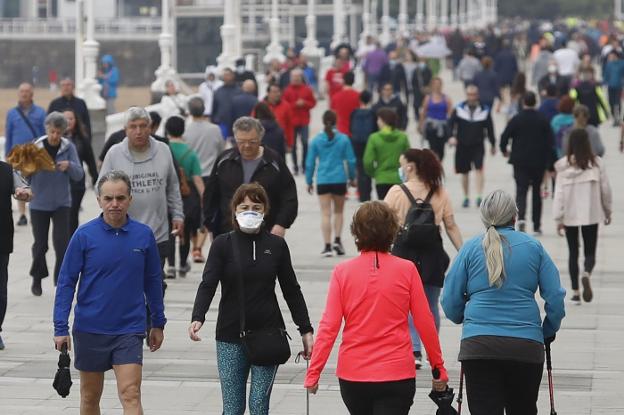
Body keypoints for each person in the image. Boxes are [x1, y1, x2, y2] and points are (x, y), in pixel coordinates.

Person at [304, 201, 449, 414]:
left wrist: (314, 372)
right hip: (397, 373)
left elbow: (330, 326)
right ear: (392, 231)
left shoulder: (342, 272)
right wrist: (438, 368)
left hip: (354, 375)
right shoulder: (407, 270)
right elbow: (424, 321)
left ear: (356, 232)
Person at [189, 183, 313, 415]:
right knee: (233, 408)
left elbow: (291, 289)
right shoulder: (222, 244)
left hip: (268, 334)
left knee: (258, 405)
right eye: (244, 206)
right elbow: (208, 283)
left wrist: (305, 329)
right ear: (234, 210)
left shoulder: (276, 245)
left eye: (256, 207)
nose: (250, 211)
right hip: (229, 335)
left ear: (265, 210)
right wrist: (198, 316)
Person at [441, 189, 566, 415]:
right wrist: (547, 329)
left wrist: (462, 317)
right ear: (514, 217)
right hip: (525, 346)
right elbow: (555, 297)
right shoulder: (533, 247)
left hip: (479, 345)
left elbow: (449, 300)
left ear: (484, 218)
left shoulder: (469, 249)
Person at [53, 170, 166, 415]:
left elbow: (154, 281)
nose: (114, 204)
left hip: (129, 328)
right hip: (90, 328)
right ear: (99, 201)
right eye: (108, 198)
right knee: (90, 397)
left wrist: (158, 321)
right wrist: (60, 328)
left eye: (120, 198)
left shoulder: (144, 235)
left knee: (131, 393)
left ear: (130, 199)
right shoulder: (84, 235)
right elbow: (66, 282)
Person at [384, 149, 463, 369]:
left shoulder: (396, 192)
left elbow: (383, 224)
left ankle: (414, 351)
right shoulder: (439, 192)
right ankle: (432, 350)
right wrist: (464, 253)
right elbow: (451, 226)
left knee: (405, 304)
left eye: (402, 164)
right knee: (430, 304)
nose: (400, 168)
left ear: (410, 167)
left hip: (403, 253)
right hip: (432, 254)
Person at [99, 107, 184, 287]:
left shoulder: (163, 150)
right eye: (133, 127)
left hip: (157, 233)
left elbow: (173, 186)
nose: (138, 131)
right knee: (129, 284)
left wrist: (178, 214)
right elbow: (101, 191)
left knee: (155, 284)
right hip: (123, 233)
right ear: (125, 129)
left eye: (143, 126)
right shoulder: (114, 154)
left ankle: (152, 314)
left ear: (150, 127)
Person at [203, 117, 297, 237]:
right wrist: (210, 224)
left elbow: (289, 195)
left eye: (252, 141)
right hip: (228, 231)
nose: (246, 145)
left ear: (260, 138)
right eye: (241, 142)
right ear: (235, 139)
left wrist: (281, 224)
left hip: (265, 232)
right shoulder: (224, 161)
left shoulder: (273, 162)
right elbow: (211, 194)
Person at [553, 129, 612, 304]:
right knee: (590, 250)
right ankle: (586, 271)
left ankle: (576, 292)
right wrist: (607, 211)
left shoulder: (563, 165)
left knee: (573, 251)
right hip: (591, 212)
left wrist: (558, 218)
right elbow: (606, 190)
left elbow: (559, 194)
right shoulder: (597, 164)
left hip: (570, 213)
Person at [28, 112, 84, 296]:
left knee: (62, 244)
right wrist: (33, 166)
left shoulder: (69, 147)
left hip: (62, 203)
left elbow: (79, 175)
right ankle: (37, 277)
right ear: (47, 129)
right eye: (52, 131)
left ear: (63, 132)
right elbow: (22, 173)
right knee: (40, 244)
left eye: (58, 132)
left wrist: (70, 166)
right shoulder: (35, 147)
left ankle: (60, 280)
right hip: (38, 203)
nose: (54, 136)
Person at [500, 92, 556, 235]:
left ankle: (521, 218)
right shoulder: (542, 119)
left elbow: (505, 136)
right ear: (535, 102)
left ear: (523, 102)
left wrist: (504, 150)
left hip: (520, 161)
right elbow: (550, 142)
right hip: (538, 161)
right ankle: (537, 225)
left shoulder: (516, 119)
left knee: (521, 190)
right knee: (537, 192)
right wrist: (551, 164)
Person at [306, 110, 356, 257]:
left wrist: (309, 180)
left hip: (323, 179)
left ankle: (327, 246)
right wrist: (352, 177)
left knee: (325, 213)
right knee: (339, 212)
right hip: (339, 179)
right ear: (336, 121)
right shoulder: (343, 139)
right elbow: (351, 161)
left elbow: (310, 163)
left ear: (323, 121)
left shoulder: (316, 140)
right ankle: (337, 241)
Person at [164, 116, 205, 278]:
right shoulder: (190, 153)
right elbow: (197, 179)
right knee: (186, 231)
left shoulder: (163, 149)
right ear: (183, 130)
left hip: (167, 194)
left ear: (167, 130)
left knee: (169, 231)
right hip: (187, 197)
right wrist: (204, 197)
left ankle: (171, 266)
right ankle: (182, 264)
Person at [184, 97, 224, 262]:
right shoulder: (214, 129)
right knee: (208, 213)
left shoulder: (186, 131)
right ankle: (198, 248)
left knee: (192, 214)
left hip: (191, 177)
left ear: (189, 111)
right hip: (211, 175)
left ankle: (195, 247)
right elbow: (221, 149)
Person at [4, 82, 46, 226]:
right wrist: (7, 155)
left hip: (35, 154)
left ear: (32, 93)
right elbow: (8, 135)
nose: (24, 94)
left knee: (36, 184)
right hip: (17, 155)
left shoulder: (40, 112)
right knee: (20, 185)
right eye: (22, 91)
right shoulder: (12, 113)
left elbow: (44, 136)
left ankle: (36, 210)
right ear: (18, 93)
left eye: (27, 91)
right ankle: (22, 214)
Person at [447, 85, 496, 208]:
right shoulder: (459, 109)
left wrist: (493, 144)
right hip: (462, 144)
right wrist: (451, 137)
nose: (471, 97)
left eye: (474, 94)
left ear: (477, 95)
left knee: (479, 169)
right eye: (469, 94)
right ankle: (466, 196)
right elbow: (450, 125)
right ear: (466, 95)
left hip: (478, 144)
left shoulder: (484, 110)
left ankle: (479, 196)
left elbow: (490, 128)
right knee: (465, 172)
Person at [0, 163, 32, 349]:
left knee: (0, 290)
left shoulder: (6, 170)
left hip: (1, 238)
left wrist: (24, 193)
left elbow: (24, 189)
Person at [62, 109, 98, 234]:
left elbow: (90, 160)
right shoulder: (56, 139)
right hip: (60, 184)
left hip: (77, 183)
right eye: (65, 119)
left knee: (73, 214)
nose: (68, 121)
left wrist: (96, 178)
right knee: (63, 215)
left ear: (76, 121)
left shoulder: (83, 139)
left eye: (71, 118)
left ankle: (72, 241)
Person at [364, 108, 410, 200]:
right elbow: (409, 158)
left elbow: (367, 161)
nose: (377, 122)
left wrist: (374, 173)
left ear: (383, 121)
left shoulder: (374, 138)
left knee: (384, 210)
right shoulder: (402, 137)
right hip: (398, 178)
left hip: (382, 178)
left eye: (378, 119)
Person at [283, 68, 317, 175]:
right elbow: (284, 106)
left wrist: (305, 103)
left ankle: (304, 165)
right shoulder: (287, 90)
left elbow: (313, 103)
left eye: (298, 77)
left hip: (304, 121)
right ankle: (295, 166)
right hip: (292, 122)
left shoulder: (307, 89)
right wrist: (295, 104)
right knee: (292, 145)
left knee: (305, 143)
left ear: (301, 78)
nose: (296, 79)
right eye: (294, 78)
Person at [349, 91, 377, 202]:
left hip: (356, 143)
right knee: (368, 167)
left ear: (360, 100)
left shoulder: (354, 112)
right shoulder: (373, 113)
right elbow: (375, 129)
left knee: (360, 169)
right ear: (370, 100)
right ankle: (368, 193)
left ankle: (362, 195)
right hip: (369, 142)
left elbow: (351, 128)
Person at [418, 77, 453, 160]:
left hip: (442, 127)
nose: (437, 86)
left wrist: (451, 128)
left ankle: (438, 164)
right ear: (432, 86)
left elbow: (451, 114)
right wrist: (420, 125)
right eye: (435, 84)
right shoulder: (427, 98)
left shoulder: (446, 99)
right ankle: (434, 165)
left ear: (441, 85)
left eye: (439, 84)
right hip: (431, 127)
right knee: (433, 148)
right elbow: (423, 112)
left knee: (441, 149)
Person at [264, 84, 295, 160]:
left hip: (280, 142)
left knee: (280, 164)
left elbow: (290, 126)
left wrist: (290, 144)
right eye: (274, 92)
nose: (277, 94)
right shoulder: (261, 106)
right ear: (268, 93)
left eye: (278, 91)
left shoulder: (286, 106)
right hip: (265, 142)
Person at [212, 67, 242, 140]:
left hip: (236, 124)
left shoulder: (239, 91)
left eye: (228, 75)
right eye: (224, 75)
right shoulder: (218, 91)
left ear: (233, 76)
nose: (226, 77)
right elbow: (214, 109)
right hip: (222, 124)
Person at [330, 71, 360, 136]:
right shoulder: (359, 96)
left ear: (343, 81)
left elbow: (332, 115)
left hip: (340, 130)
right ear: (354, 81)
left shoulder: (335, 97)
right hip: (355, 131)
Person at [602, 51, 624, 126]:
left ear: (616, 56)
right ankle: (614, 116)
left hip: (619, 86)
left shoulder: (622, 63)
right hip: (610, 86)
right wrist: (604, 83)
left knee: (617, 102)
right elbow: (606, 74)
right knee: (611, 102)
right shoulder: (609, 64)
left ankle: (617, 118)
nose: (610, 58)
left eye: (611, 56)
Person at [411, 56, 433, 121]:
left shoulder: (428, 70)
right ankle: (417, 117)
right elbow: (413, 82)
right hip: (417, 90)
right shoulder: (416, 70)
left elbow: (430, 80)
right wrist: (417, 89)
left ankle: (426, 115)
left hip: (426, 91)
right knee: (416, 104)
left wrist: (428, 88)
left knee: (426, 104)